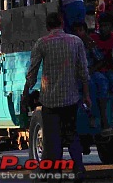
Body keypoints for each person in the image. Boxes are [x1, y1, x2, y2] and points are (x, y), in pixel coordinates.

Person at [22, 12, 90, 183]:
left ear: (47, 26)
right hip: (71, 98)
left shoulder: (42, 43)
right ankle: (78, 169)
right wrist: (87, 95)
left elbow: (32, 72)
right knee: (72, 134)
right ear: (62, 23)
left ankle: (55, 172)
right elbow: (83, 71)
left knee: (53, 139)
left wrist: (25, 94)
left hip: (49, 100)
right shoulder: (76, 41)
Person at [72, 22, 113, 136]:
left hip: (91, 71)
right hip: (77, 74)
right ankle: (92, 117)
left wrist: (91, 70)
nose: (78, 33)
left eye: (81, 30)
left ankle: (104, 118)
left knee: (103, 82)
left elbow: (100, 60)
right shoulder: (70, 44)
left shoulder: (89, 43)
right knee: (90, 86)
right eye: (76, 31)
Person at [90, 13, 113, 127]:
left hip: (111, 70)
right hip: (97, 71)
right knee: (103, 85)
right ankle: (105, 122)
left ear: (111, 26)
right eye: (102, 26)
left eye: (106, 26)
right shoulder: (93, 39)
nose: (104, 28)